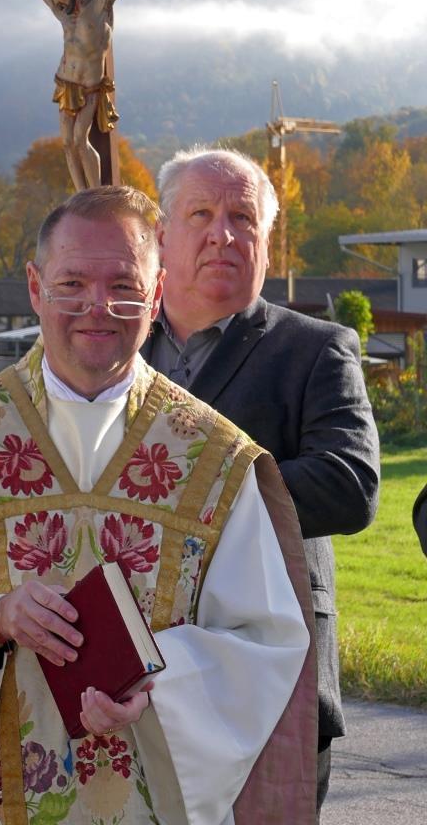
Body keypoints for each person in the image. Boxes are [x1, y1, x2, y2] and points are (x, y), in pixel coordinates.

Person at [0, 186, 316, 825]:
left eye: (124, 286)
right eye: (71, 285)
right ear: (36, 288)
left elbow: (263, 645)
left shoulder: (215, 462)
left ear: (157, 293)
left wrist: (161, 681)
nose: (98, 308)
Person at [142, 148, 380, 816]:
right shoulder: (118, 350)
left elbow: (350, 483)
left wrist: (190, 500)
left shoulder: (316, 348)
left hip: (272, 670)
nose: (223, 234)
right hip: (133, 669)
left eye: (243, 218)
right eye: (201, 214)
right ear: (161, 235)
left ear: (267, 242)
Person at [6, 0, 173, 191]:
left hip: (91, 86)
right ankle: (81, 195)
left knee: (80, 141)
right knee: (68, 144)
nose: (56, 2)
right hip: (66, 83)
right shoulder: (63, 14)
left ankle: (93, 192)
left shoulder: (100, 4)